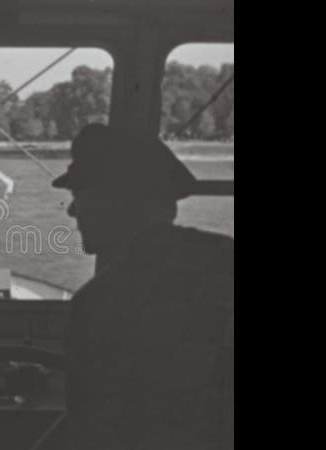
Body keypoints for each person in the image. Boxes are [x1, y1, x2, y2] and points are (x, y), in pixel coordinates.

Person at [51, 124, 233, 450]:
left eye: (79, 196)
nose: (72, 211)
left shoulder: (100, 303)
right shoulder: (225, 261)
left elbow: (93, 432)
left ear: (114, 202)